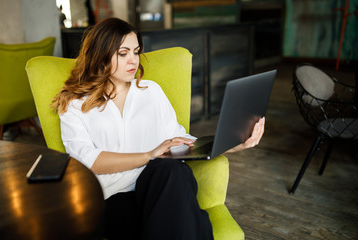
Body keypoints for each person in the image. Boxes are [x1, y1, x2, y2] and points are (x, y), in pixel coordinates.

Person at [52, 17, 265, 240]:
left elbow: (180, 139)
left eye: (136, 51)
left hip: (158, 184)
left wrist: (234, 143)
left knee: (173, 171)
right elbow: (87, 160)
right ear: (100, 55)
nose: (133, 60)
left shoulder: (150, 91)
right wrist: (148, 155)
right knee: (179, 196)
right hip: (111, 198)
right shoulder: (74, 103)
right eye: (123, 53)